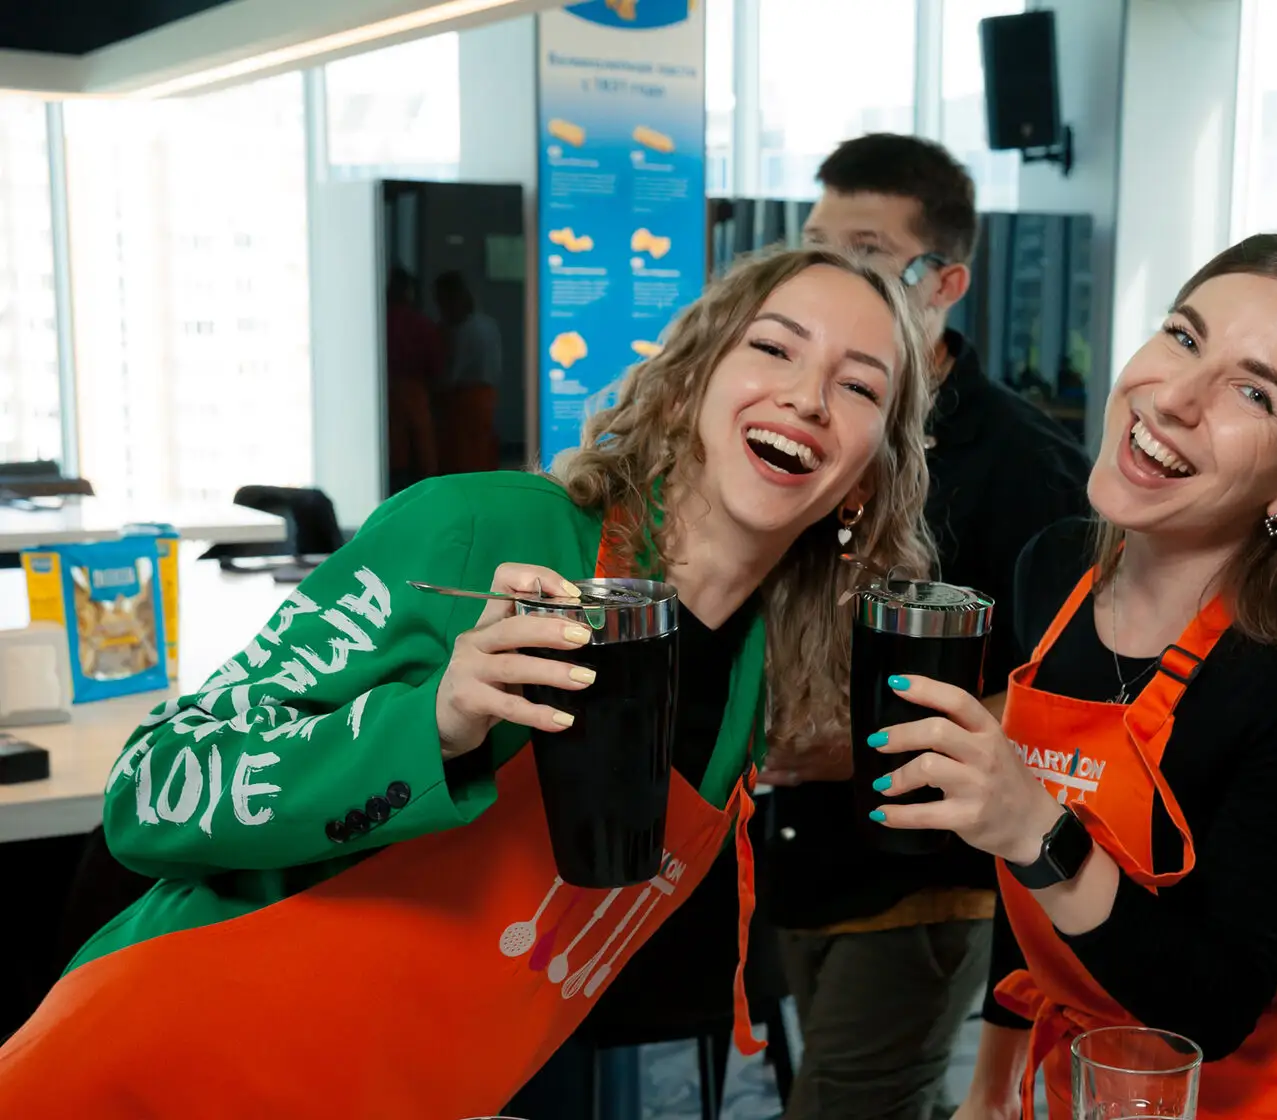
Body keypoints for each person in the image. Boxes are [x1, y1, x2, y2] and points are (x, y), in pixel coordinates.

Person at [0, 247, 935, 1118]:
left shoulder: (757, 677)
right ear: (691, 380)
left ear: (866, 478)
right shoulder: (474, 532)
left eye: (858, 386)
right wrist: (432, 724)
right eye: (773, 347)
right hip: (151, 1077)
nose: (808, 397)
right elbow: (149, 790)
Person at [869, 234, 1277, 1119]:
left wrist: (1035, 827)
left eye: (1254, 392)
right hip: (1094, 1083)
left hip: (1273, 1097)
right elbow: (1032, 897)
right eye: (1183, 335)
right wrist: (991, 1086)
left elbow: (1211, 1007)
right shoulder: (1055, 571)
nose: (1173, 397)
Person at [759, 133, 1091, 1120]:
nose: (833, 276)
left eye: (866, 251)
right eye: (816, 247)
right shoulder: (800, 424)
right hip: (788, 851)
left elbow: (1068, 700)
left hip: (923, 878)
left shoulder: (1029, 467)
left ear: (946, 281)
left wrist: (861, 742)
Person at [434, 270, 504, 474]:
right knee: (483, 449)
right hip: (488, 395)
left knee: (464, 456)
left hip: (463, 399)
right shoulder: (488, 324)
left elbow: (452, 373)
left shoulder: (463, 330)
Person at [386, 267, 444, 492]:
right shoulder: (421, 324)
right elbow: (436, 364)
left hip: (388, 391)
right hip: (416, 391)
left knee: (395, 449)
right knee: (422, 449)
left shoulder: (380, 322)